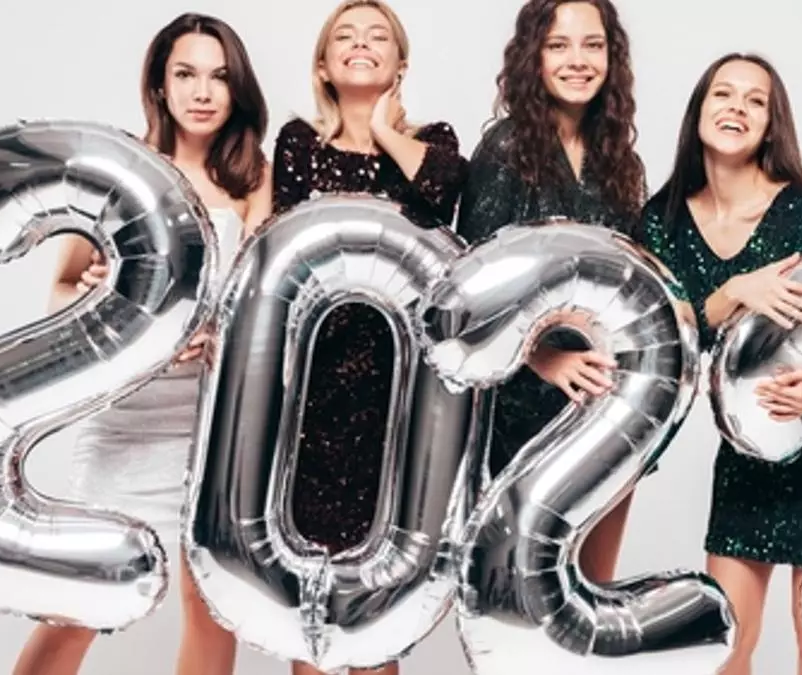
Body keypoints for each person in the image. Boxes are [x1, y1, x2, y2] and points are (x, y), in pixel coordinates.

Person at [12, 12, 272, 675]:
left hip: (208, 424)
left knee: (210, 605)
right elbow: (61, 290)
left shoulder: (250, 177)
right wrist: (102, 302)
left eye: (219, 77)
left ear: (237, 88)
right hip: (125, 420)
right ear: (159, 84)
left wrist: (222, 334)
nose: (202, 92)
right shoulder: (120, 169)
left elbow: (257, 303)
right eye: (185, 74)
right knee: (80, 600)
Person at [639, 52, 802, 675]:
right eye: (724, 94)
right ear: (699, 111)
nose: (737, 109)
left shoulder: (801, 213)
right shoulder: (662, 221)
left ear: (772, 126)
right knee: (726, 649)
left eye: (755, 102)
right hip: (749, 449)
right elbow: (662, 336)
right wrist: (733, 291)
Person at [269, 1, 467, 673]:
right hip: (311, 400)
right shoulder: (299, 143)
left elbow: (444, 196)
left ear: (399, 64)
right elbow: (283, 251)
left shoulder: (433, 141)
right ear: (323, 65)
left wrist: (384, 128)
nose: (361, 44)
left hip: (397, 402)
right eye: (345, 37)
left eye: (377, 36)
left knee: (377, 606)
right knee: (311, 602)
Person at [455, 0, 646, 584]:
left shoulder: (621, 160)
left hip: (605, 409)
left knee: (591, 597)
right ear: (533, 57)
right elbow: (472, 296)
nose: (577, 60)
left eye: (593, 45)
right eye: (559, 45)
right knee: (522, 598)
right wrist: (542, 357)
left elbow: (631, 285)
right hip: (521, 415)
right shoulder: (506, 149)